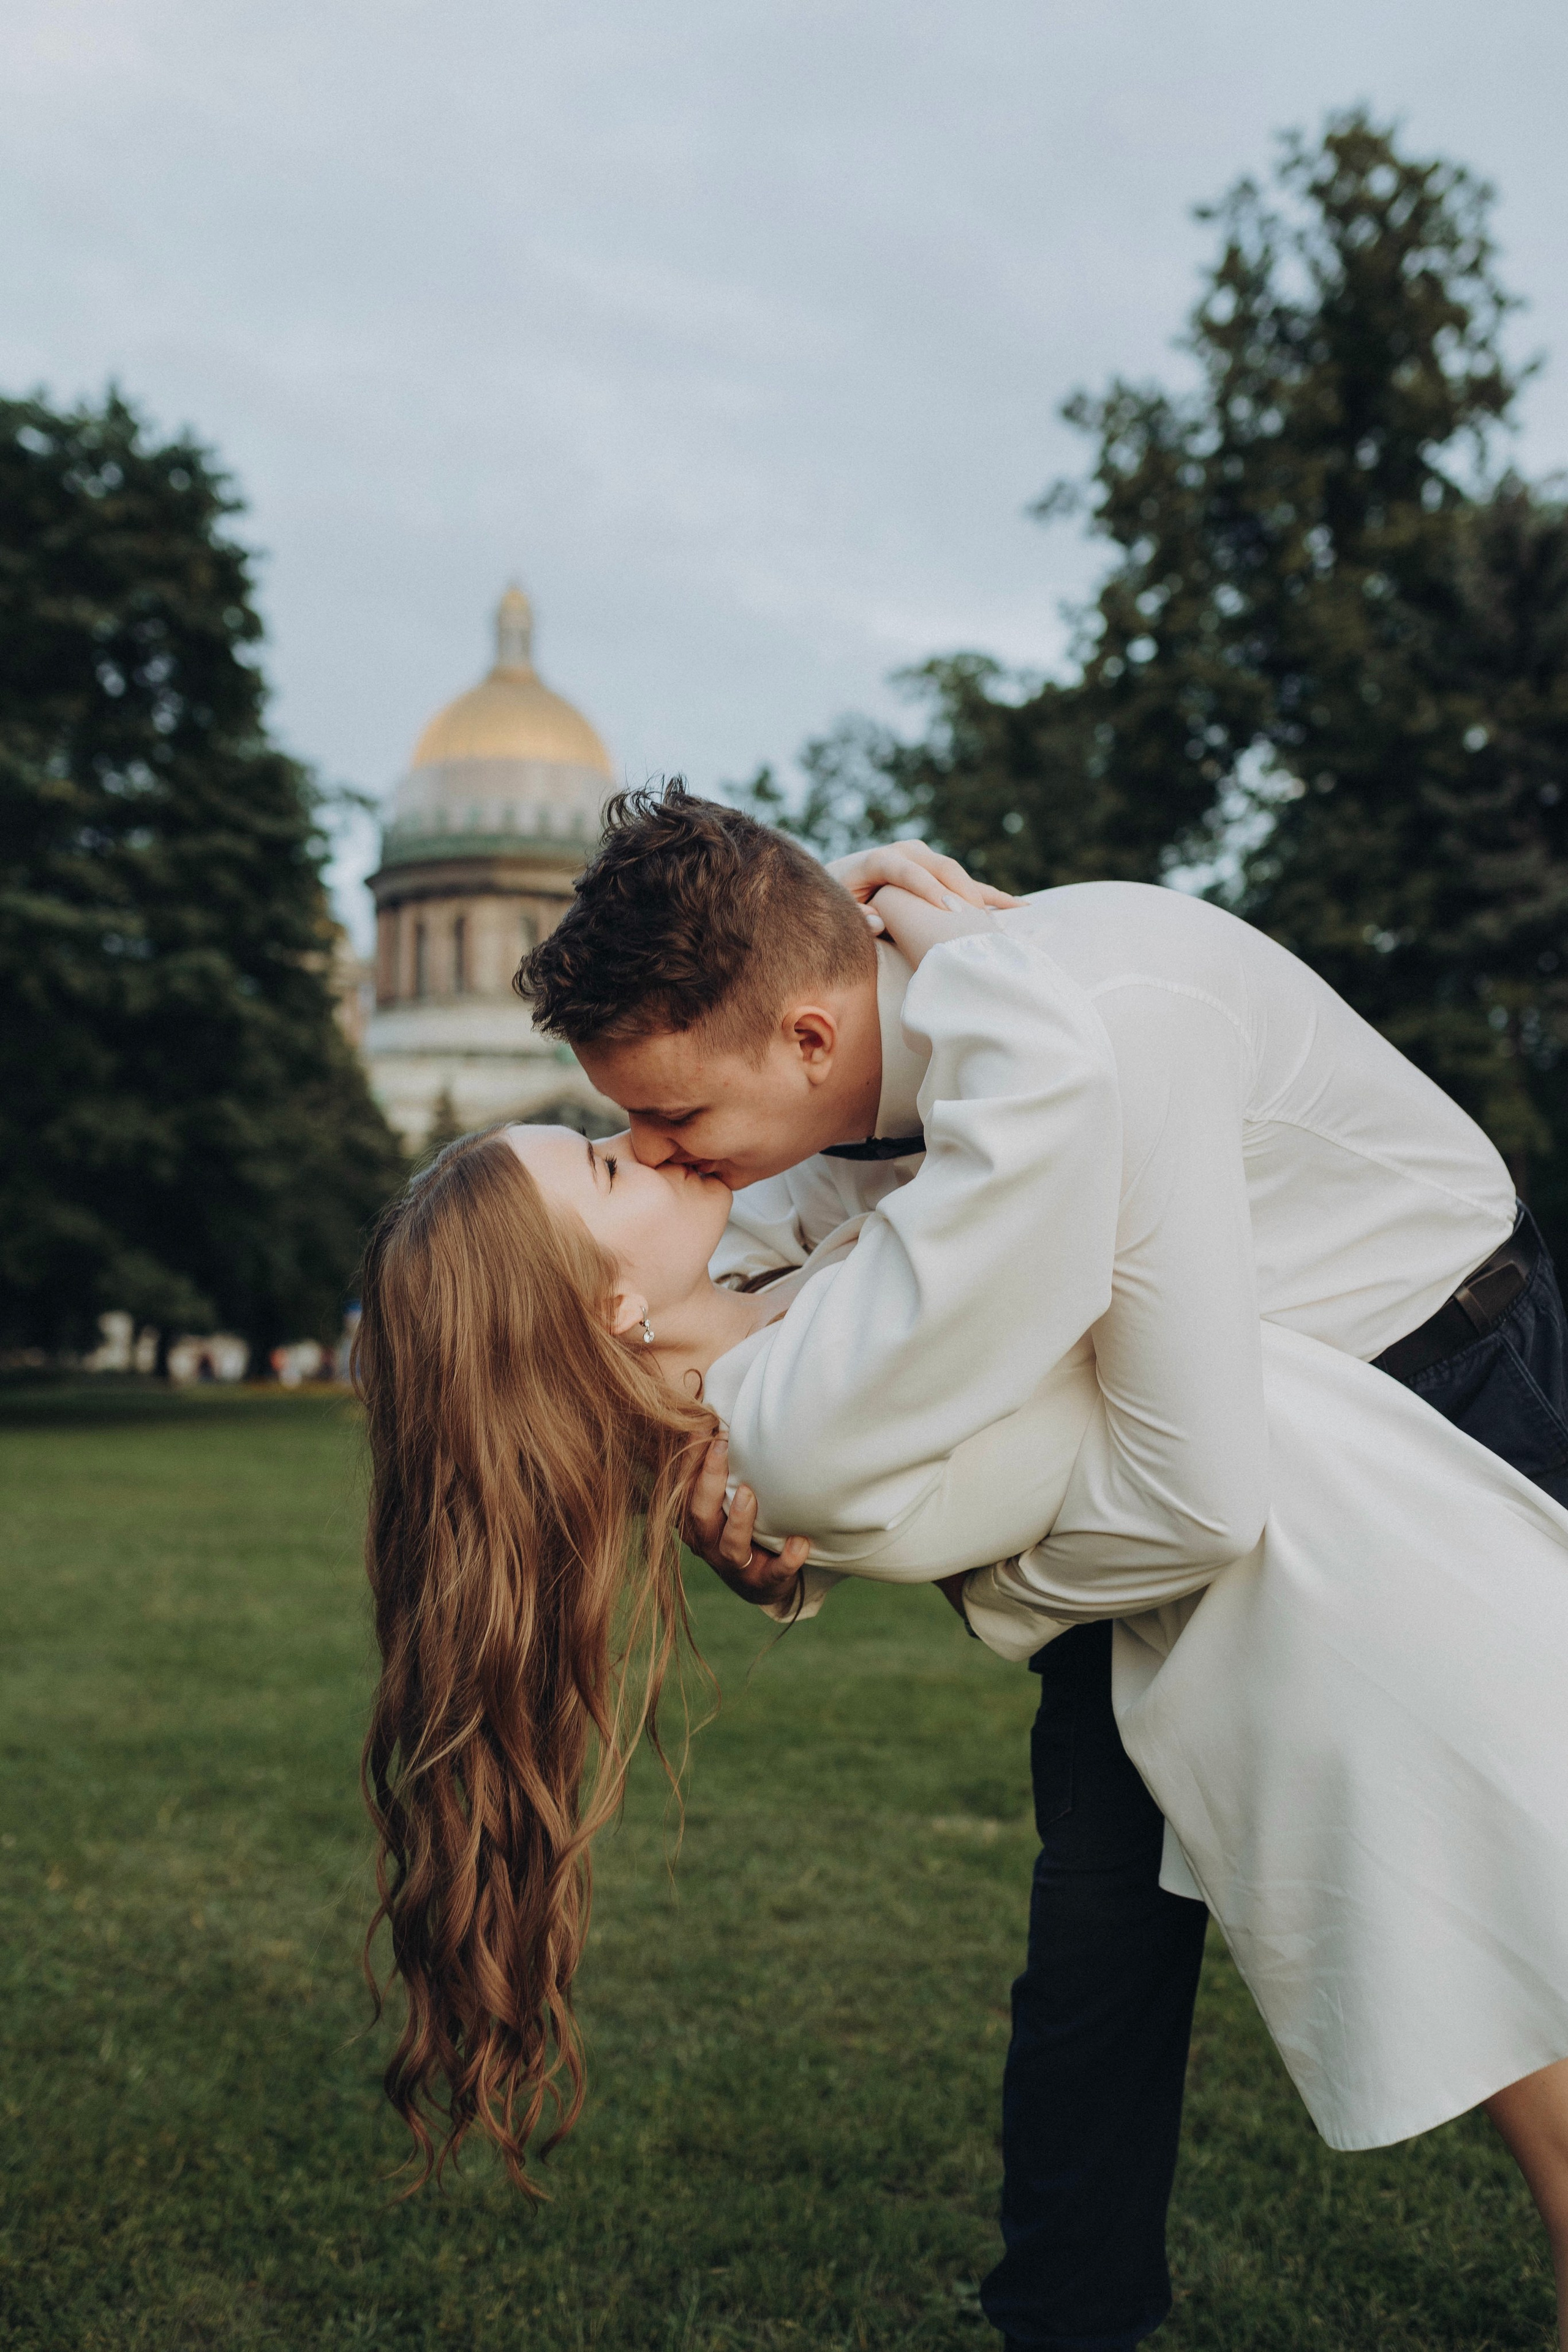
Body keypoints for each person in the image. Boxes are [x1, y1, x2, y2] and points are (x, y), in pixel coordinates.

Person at [356, 918, 1568, 2352]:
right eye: (616, 1159)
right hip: (1330, 1583)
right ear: (612, 1305)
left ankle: (1063, 2316)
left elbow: (887, 1226)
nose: (655, 1144)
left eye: (642, 1123)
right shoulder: (798, 1411)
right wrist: (964, 949)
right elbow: (1037, 1190)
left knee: (1485, 2013)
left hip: (1327, 1562)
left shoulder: (754, 1361)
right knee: (1514, 2029)